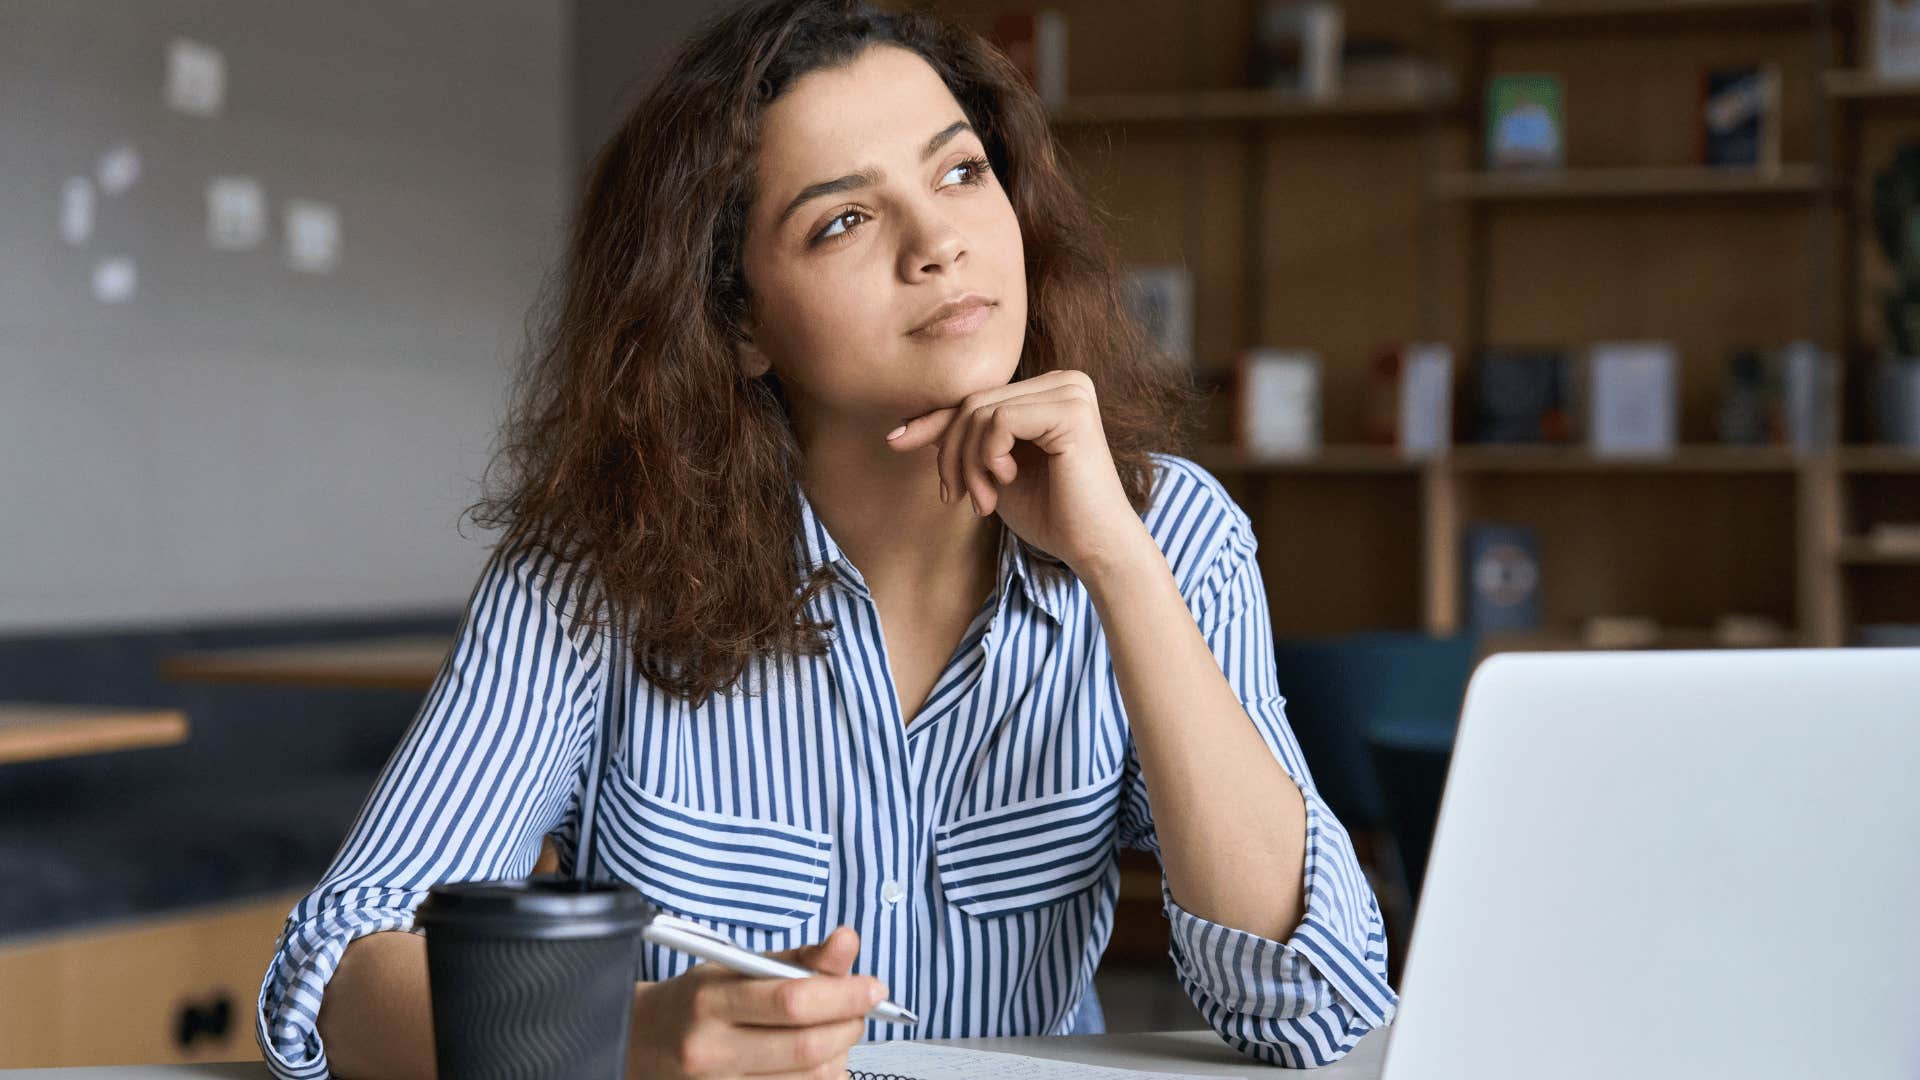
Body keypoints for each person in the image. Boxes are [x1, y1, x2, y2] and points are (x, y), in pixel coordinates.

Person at [255, 2, 1395, 1076]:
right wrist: (622, 1044)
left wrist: (1119, 565)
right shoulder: (593, 576)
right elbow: (339, 976)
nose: (938, 242)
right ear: (738, 321)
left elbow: (1317, 1010)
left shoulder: (1170, 534)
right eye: (844, 219)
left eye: (960, 172)